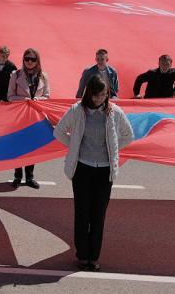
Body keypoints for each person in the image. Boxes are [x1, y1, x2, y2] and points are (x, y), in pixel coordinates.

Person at [54, 75, 134, 272]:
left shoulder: (114, 112)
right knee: (82, 214)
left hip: (104, 171)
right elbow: (59, 132)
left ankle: (93, 257)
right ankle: (82, 256)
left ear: (107, 94)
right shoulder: (77, 110)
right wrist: (75, 147)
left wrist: (112, 150)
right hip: (82, 168)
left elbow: (128, 135)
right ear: (88, 92)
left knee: (98, 215)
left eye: (103, 95)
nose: (99, 99)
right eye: (96, 95)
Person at [7, 48, 51, 189]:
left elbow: (47, 96)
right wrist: (24, 99)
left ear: (37, 60)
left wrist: (39, 99)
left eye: (33, 59)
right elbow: (10, 96)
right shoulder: (16, 74)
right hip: (19, 117)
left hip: (35, 118)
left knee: (32, 148)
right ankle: (17, 177)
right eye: (27, 59)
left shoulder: (44, 76)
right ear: (23, 60)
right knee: (19, 148)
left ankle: (30, 177)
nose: (30, 62)